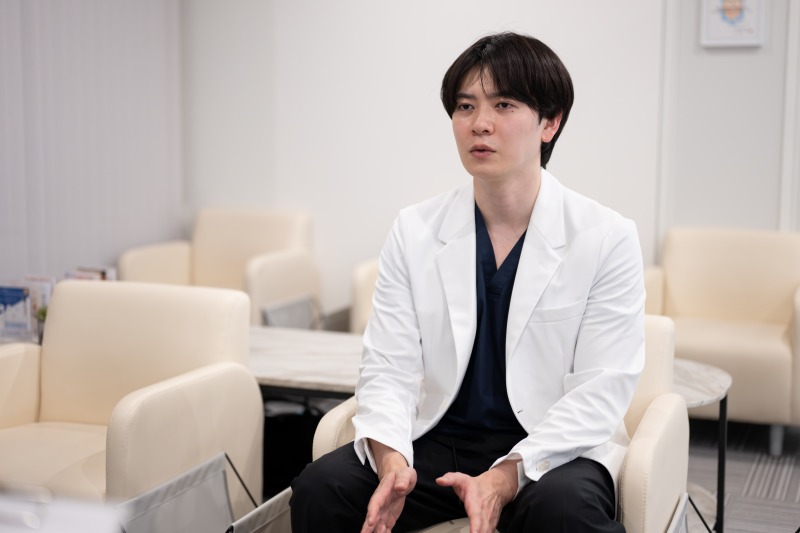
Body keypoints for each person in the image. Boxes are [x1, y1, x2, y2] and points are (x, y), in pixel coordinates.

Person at [290, 31, 645, 533]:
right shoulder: (415, 230)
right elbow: (388, 367)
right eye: (465, 106)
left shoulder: (605, 237)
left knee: (566, 512)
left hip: (550, 450)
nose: (480, 123)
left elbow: (600, 390)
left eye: (504, 105)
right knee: (321, 489)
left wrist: (504, 477)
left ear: (550, 122)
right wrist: (392, 463)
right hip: (439, 441)